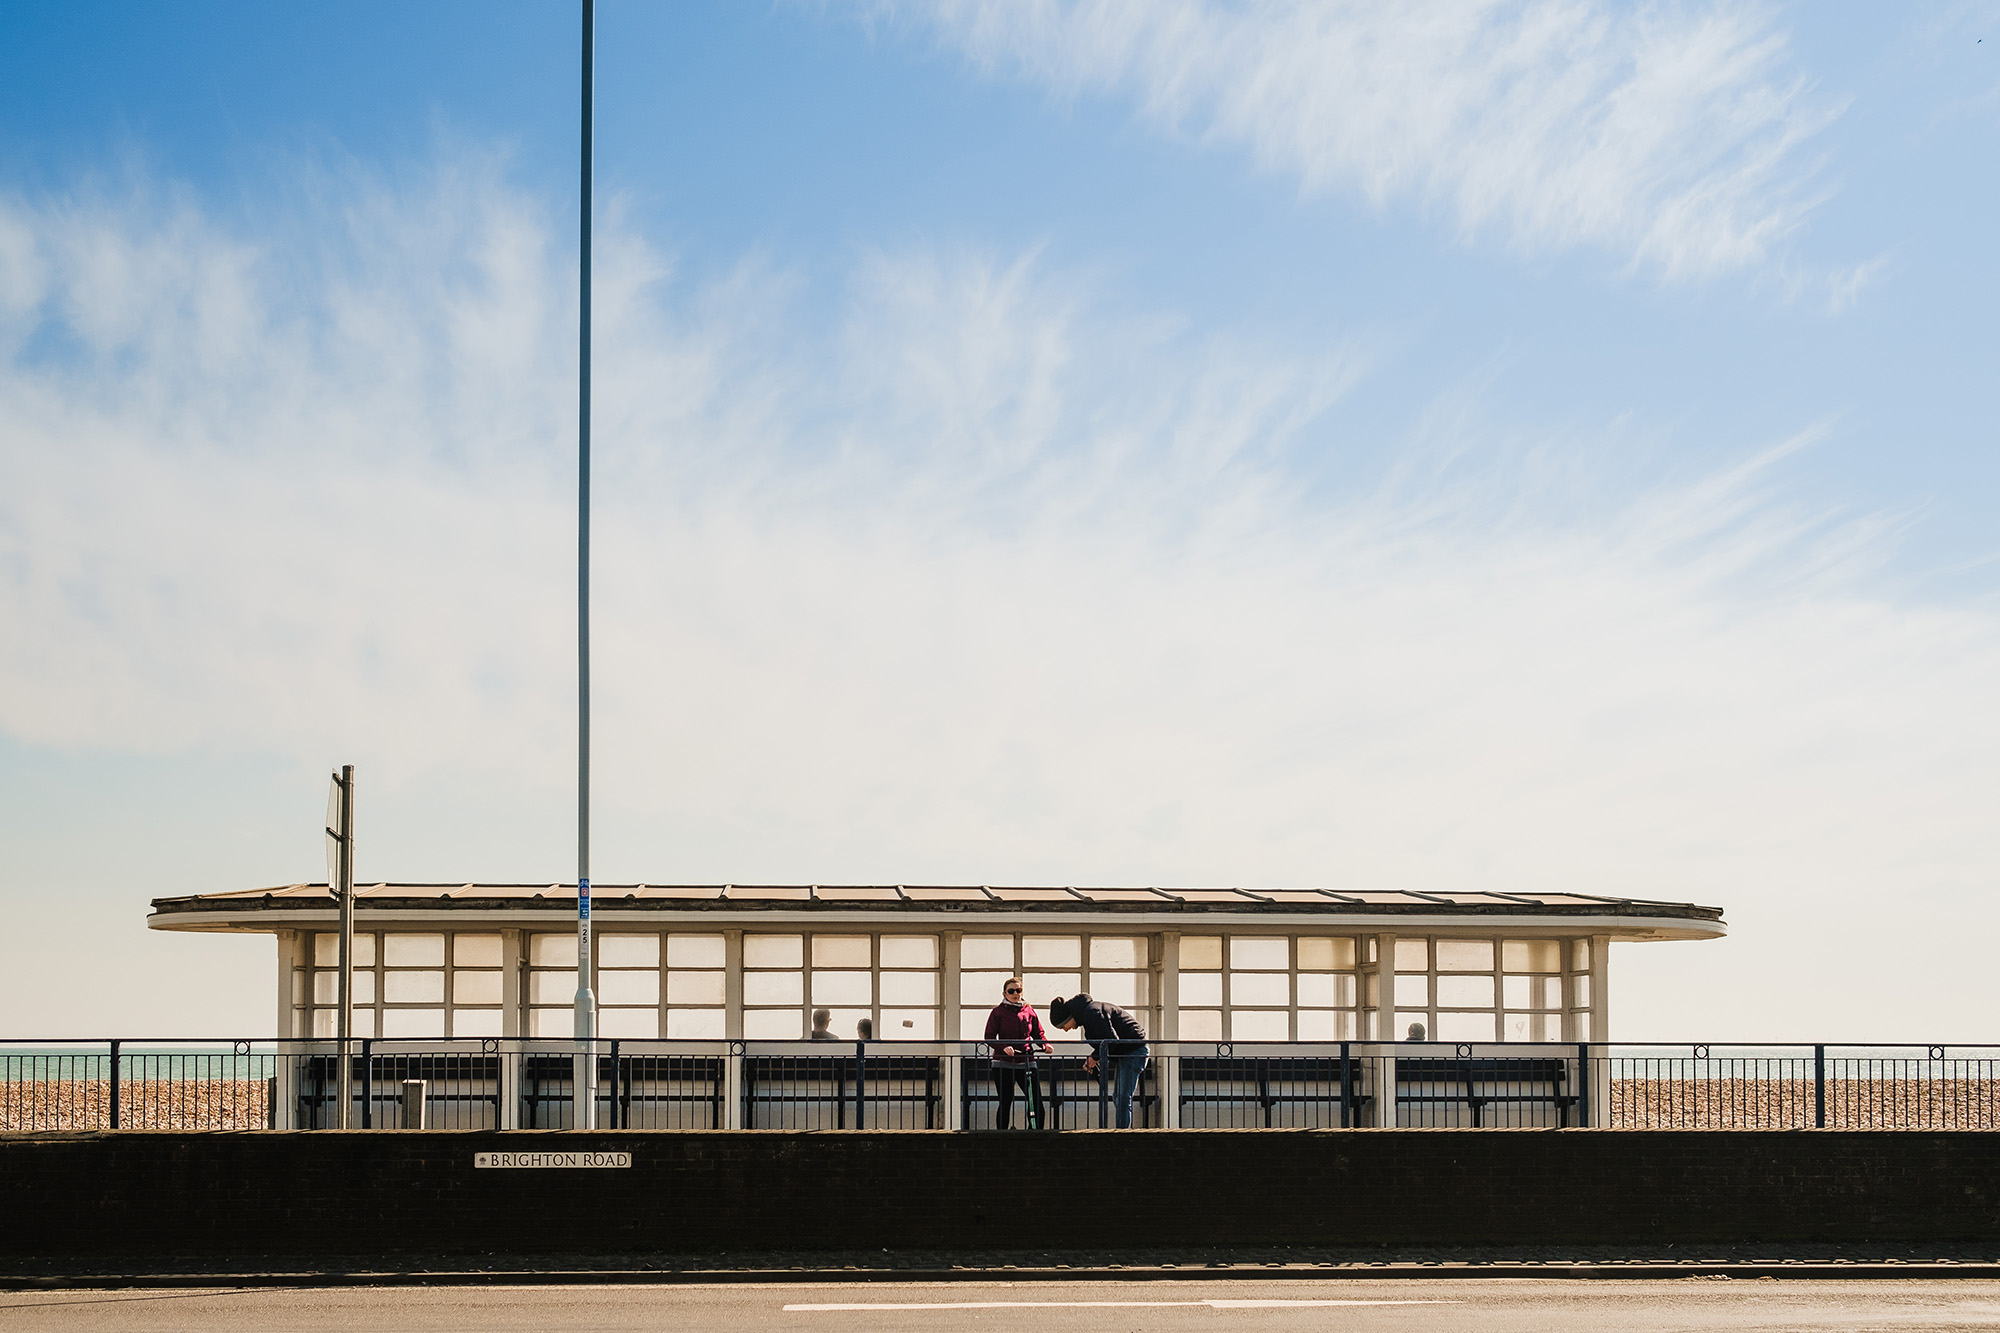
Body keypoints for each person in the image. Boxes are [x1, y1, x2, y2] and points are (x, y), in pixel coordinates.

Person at [1049, 993, 1149, 1128]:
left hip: (1133, 1051)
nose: (1065, 1030)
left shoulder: (1093, 1013)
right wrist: (1094, 1057)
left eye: (1063, 1026)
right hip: (1130, 1051)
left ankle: (1123, 1135)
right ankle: (1122, 1130)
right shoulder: (1091, 1012)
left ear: (1069, 1017)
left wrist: (1095, 1057)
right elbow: (1109, 1041)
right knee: (1119, 1097)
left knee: (1123, 1097)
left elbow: (1111, 1041)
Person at [982, 977, 1050, 1129]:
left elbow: (1038, 1033)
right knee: (1005, 1101)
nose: (1015, 994)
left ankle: (1036, 1132)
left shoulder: (1029, 1010)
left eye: (1018, 990)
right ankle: (1002, 1134)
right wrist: (1003, 1047)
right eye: (1011, 991)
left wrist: (1044, 1044)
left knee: (1035, 1100)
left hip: (1026, 1061)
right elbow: (989, 1037)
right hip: (1003, 1063)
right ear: (1004, 993)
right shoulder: (997, 1012)